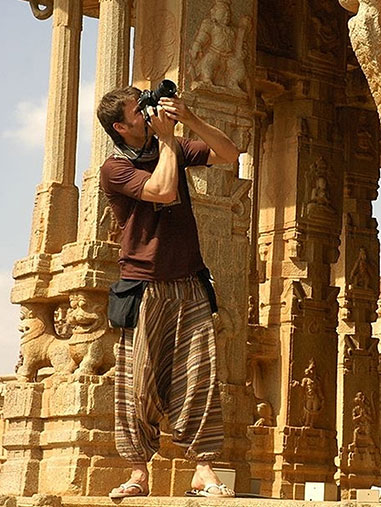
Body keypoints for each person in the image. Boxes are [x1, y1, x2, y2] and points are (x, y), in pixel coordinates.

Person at [96, 85, 239, 498]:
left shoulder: (169, 143)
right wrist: (167, 142)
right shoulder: (115, 168)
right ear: (121, 127)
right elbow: (162, 190)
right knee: (136, 381)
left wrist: (189, 119)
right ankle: (139, 473)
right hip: (143, 285)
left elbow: (229, 154)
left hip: (189, 280)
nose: (147, 112)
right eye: (138, 110)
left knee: (199, 377)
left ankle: (204, 470)